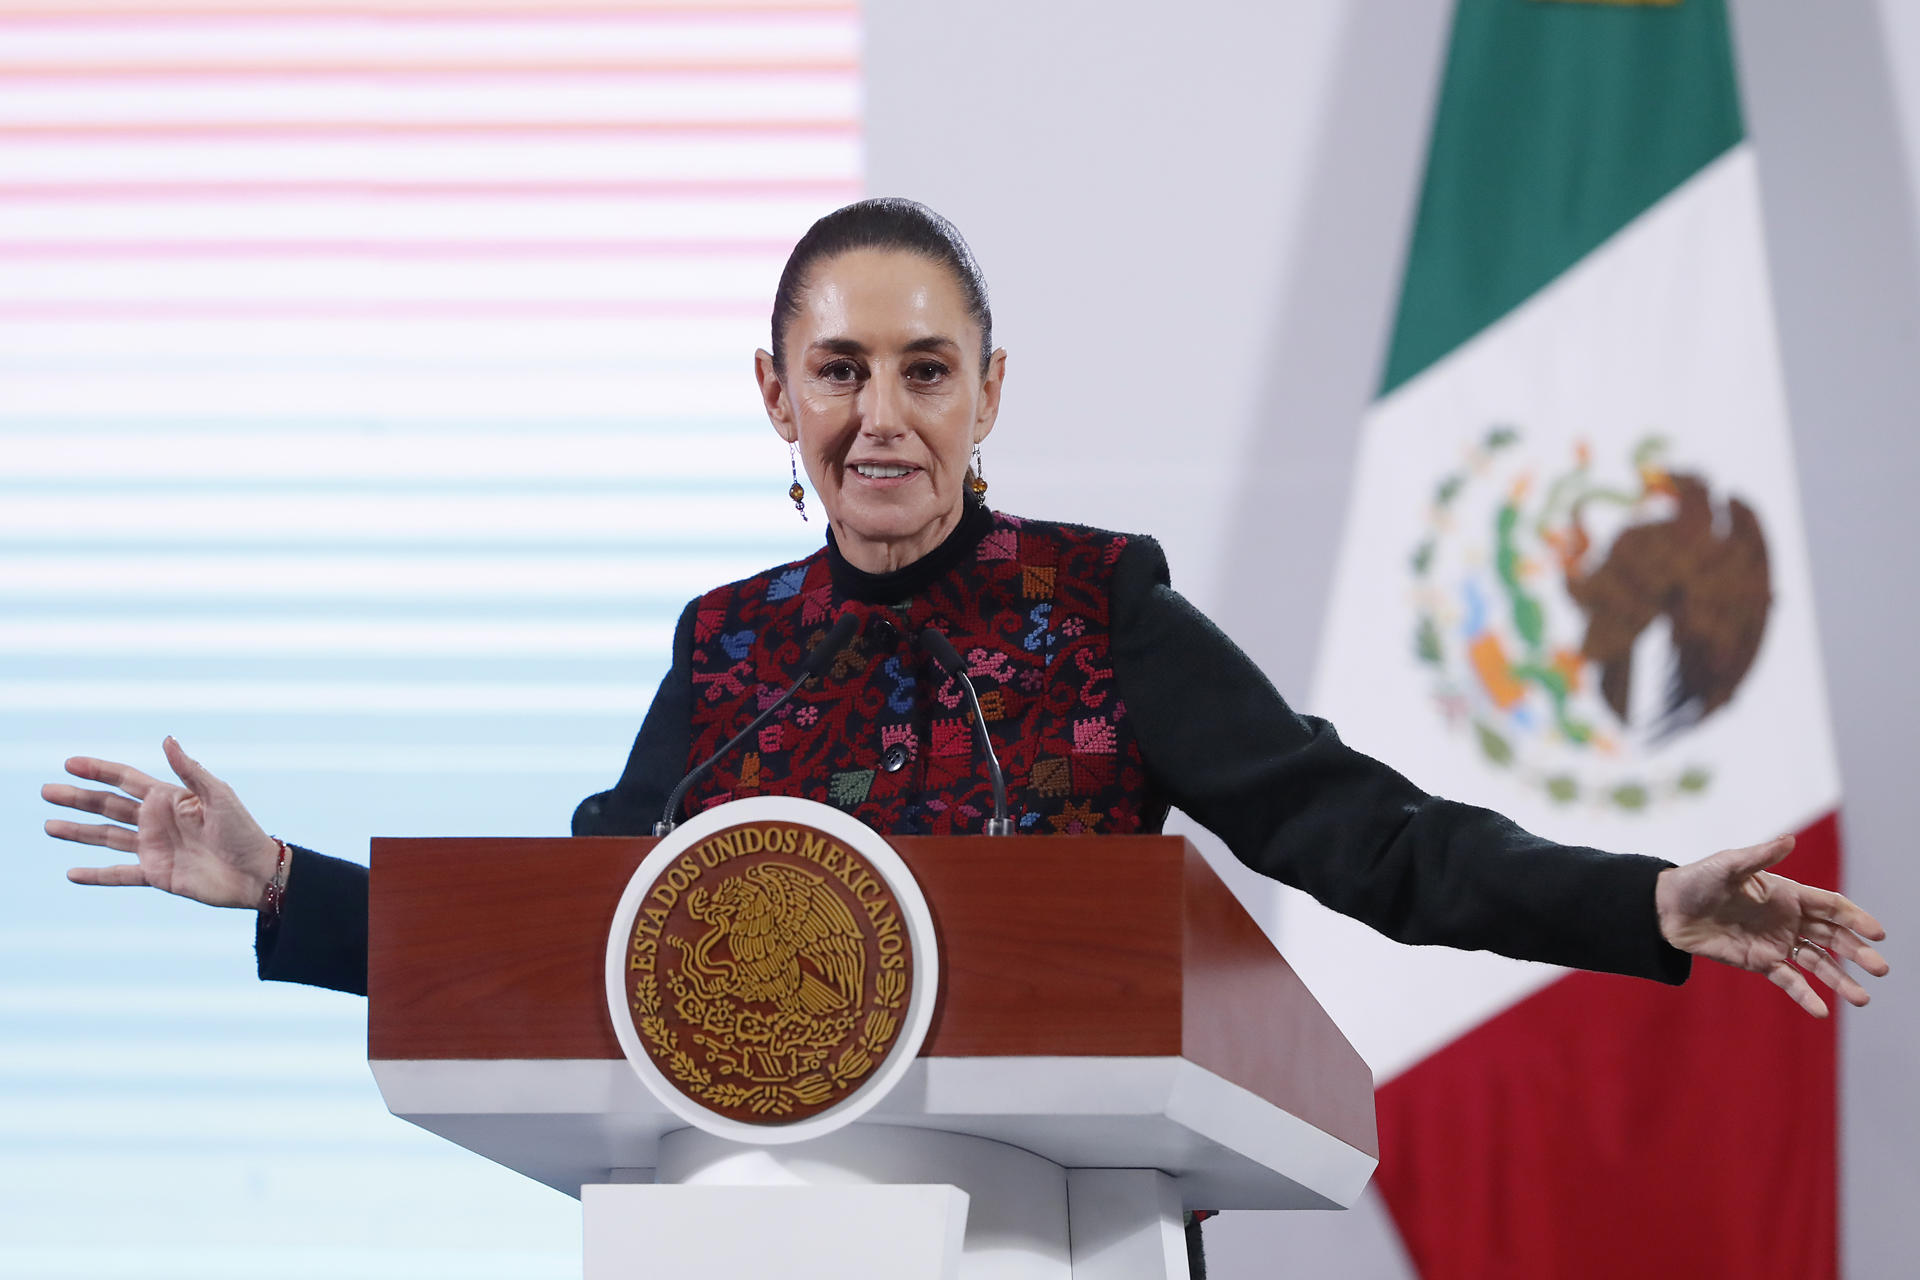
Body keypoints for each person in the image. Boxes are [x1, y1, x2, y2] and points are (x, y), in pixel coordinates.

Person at [44, 197, 1888, 1015]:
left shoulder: (1104, 612)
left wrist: (1640, 900)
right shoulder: (728, 650)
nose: (882, 416)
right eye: (838, 371)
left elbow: (1361, 836)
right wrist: (289, 887)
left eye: (926, 371)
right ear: (774, 396)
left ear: (991, 392)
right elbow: (583, 936)